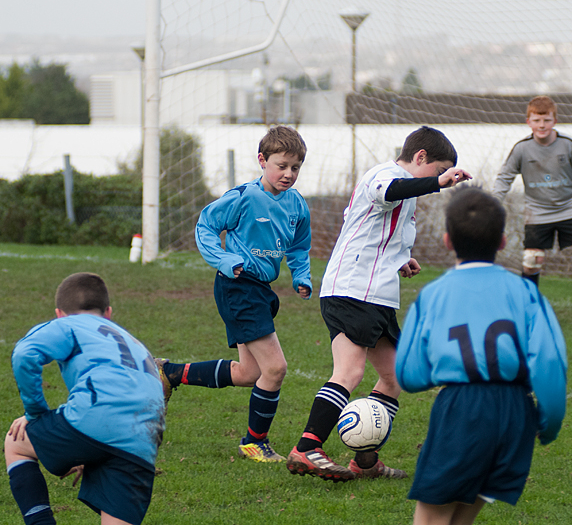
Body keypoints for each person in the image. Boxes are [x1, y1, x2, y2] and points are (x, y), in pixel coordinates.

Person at [286, 125, 472, 482]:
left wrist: (401, 257)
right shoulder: (383, 174)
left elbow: (372, 227)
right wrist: (437, 182)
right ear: (420, 157)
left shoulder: (408, 191)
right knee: (350, 372)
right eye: (437, 170)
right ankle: (307, 447)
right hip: (353, 289)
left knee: (395, 375)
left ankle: (365, 461)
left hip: (376, 295)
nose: (439, 178)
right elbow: (388, 192)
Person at [395, 187, 567, 524]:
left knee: (431, 518)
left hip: (463, 409)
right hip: (515, 412)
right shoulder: (527, 293)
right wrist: (548, 424)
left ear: (447, 240)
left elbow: (409, 374)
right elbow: (549, 363)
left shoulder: (434, 295)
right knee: (461, 517)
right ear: (502, 241)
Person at [157, 125, 312, 463]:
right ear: (262, 161)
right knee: (276, 368)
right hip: (238, 286)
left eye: (295, 167)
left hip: (261, 290)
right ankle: (254, 442)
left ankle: (170, 373)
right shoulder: (244, 197)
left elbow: (299, 247)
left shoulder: (297, 205)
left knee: (249, 374)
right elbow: (206, 226)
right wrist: (225, 259)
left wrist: (302, 276)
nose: (288, 174)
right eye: (281, 165)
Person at [5, 272, 166, 525]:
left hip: (95, 417)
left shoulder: (67, 324)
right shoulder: (134, 342)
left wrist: (35, 414)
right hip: (145, 437)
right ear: (108, 313)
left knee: (16, 440)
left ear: (59, 314)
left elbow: (25, 354)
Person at [493, 95, 572, 329]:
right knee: (532, 261)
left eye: (546, 120)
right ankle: (528, 312)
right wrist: (494, 205)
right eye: (537, 120)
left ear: (554, 120)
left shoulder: (567, 145)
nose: (542, 125)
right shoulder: (521, 149)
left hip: (571, 209)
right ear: (528, 121)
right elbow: (504, 177)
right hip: (537, 212)